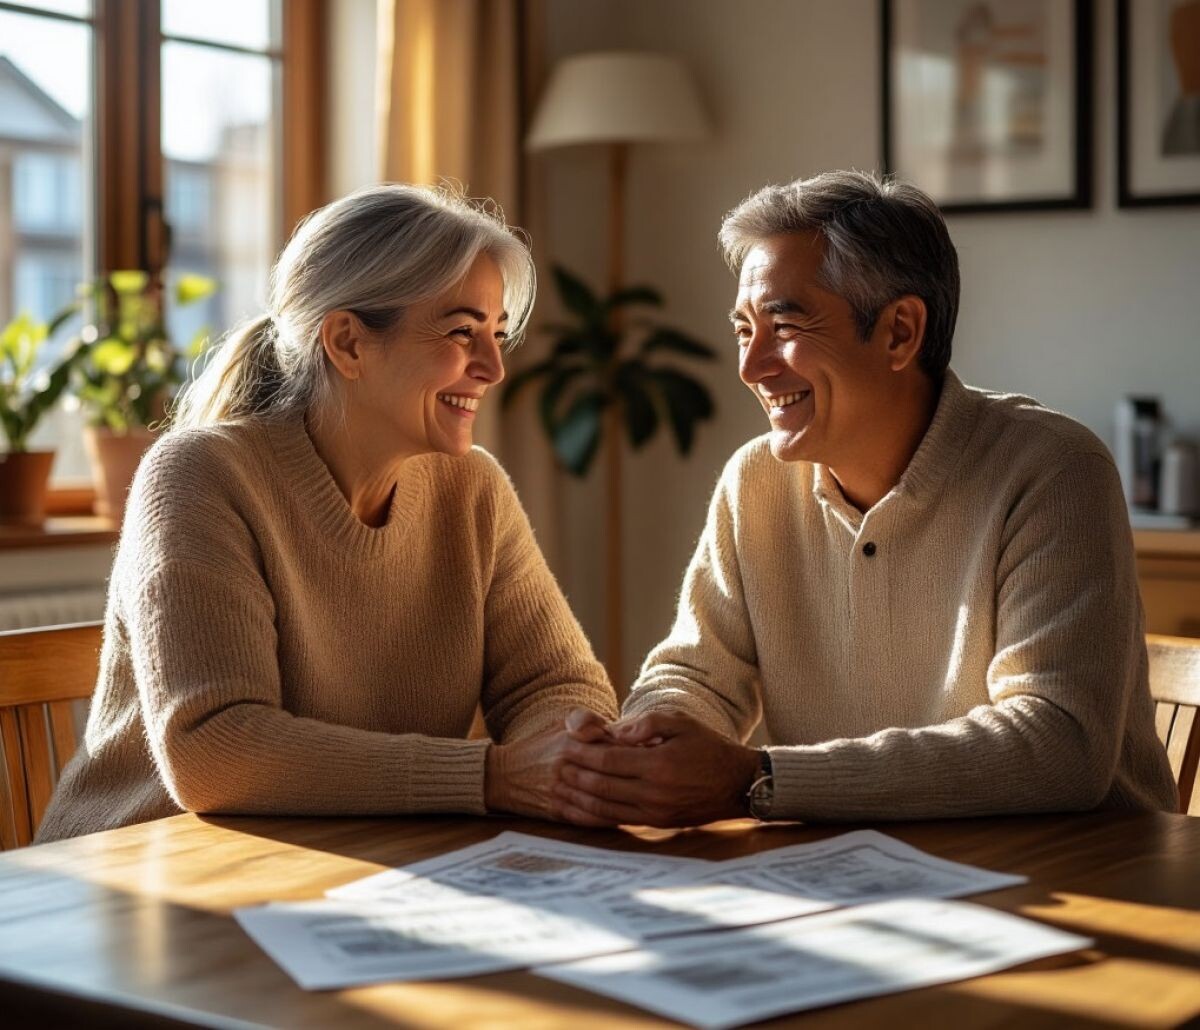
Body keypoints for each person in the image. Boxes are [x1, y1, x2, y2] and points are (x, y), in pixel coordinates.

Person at [554, 170, 1178, 827]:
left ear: (900, 333)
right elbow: (697, 675)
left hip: (1089, 880)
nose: (751, 366)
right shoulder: (754, 483)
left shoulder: (1054, 473)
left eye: (784, 326)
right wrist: (649, 739)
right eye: (744, 330)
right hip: (861, 882)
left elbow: (1058, 746)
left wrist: (760, 779)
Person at [36, 184, 616, 843]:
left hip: (349, 866)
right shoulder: (201, 474)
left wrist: (561, 755)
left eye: (497, 335)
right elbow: (214, 751)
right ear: (347, 343)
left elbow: (558, 683)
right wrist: (492, 776)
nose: (491, 368)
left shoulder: (473, 489)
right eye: (461, 332)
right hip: (137, 882)